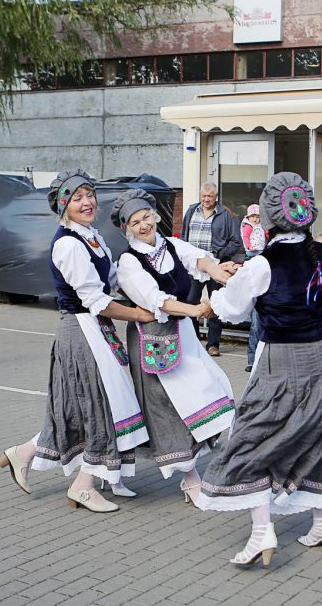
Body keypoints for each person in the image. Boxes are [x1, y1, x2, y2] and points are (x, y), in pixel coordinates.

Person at [198, 172, 322, 568]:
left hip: (282, 360)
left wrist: (215, 295)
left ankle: (262, 533)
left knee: (254, 438)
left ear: (270, 215)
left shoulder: (262, 265)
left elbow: (233, 310)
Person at [0, 168, 155, 513]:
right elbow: (96, 300)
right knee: (103, 406)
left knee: (80, 408)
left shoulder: (90, 236)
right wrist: (141, 315)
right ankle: (84, 486)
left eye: (89, 194)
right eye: (76, 198)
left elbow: (113, 281)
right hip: (81, 330)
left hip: (95, 330)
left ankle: (25, 454)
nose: (86, 202)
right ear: (63, 206)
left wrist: (152, 290)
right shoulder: (69, 244)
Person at [113, 188, 237, 503]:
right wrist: (195, 310)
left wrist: (218, 272)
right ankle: (191, 479)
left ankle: (106, 466)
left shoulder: (170, 245)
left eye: (146, 217)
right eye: (135, 222)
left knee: (211, 390)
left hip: (182, 335)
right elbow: (157, 301)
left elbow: (198, 258)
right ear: (126, 228)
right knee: (168, 409)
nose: (144, 225)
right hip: (153, 340)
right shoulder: (129, 262)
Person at [180, 182, 242, 356]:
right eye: (204, 196)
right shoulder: (192, 210)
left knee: (216, 303)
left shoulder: (226, 214)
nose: (206, 200)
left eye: (210, 196)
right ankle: (193, 341)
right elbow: (184, 235)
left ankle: (213, 344)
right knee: (190, 302)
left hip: (216, 266)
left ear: (216, 197)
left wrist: (219, 254)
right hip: (194, 266)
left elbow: (236, 241)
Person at [242, 204, 267, 372]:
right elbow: (245, 238)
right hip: (256, 293)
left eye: (258, 217)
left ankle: (263, 361)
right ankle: (252, 360)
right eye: (253, 217)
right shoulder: (248, 228)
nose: (255, 219)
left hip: (266, 294)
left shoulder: (263, 229)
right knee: (255, 326)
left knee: (261, 326)